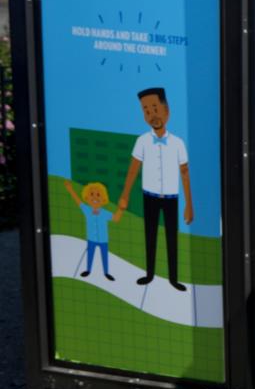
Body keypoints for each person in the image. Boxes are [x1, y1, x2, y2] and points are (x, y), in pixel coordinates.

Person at [115, 88, 193, 291]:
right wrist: (124, 195)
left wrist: (189, 205)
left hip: (171, 198)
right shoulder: (142, 141)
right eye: (146, 111)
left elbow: (184, 173)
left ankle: (173, 278)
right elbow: (133, 170)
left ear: (167, 111)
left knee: (171, 238)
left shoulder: (177, 143)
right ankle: (149, 274)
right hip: (149, 196)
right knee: (150, 236)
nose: (152, 115)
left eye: (155, 108)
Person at [64, 180, 119, 281]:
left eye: (98, 195)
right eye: (91, 194)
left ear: (103, 199)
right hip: (91, 238)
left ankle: (106, 272)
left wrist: (121, 209)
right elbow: (78, 201)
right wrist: (70, 189)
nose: (94, 197)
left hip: (103, 239)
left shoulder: (104, 213)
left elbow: (116, 218)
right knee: (90, 254)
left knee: (104, 256)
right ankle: (88, 270)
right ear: (87, 197)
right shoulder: (87, 210)